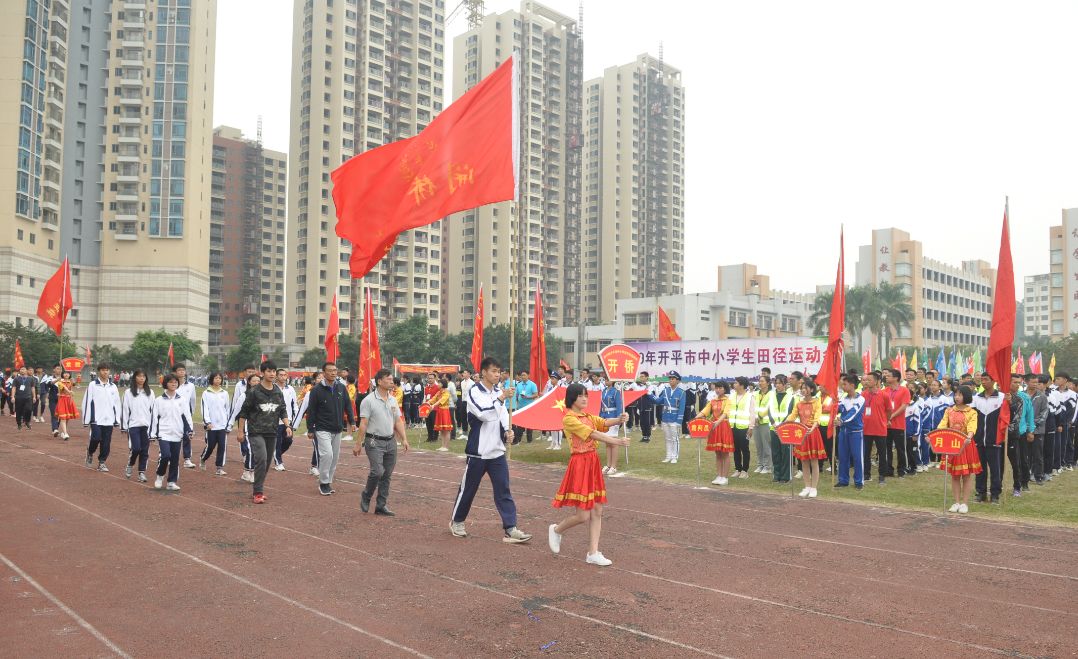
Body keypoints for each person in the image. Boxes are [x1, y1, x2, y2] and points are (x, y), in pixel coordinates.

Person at [450, 357, 532, 543]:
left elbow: (503, 417)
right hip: (478, 452)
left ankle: (511, 528)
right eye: (494, 371)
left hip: (496, 452)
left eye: (499, 371)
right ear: (484, 372)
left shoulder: (498, 392)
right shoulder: (474, 392)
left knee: (503, 490)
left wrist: (507, 432)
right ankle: (457, 521)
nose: (497, 375)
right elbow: (484, 414)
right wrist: (501, 397)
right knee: (469, 489)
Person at [549, 383, 629, 566]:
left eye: (586, 395)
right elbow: (593, 434)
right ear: (572, 398)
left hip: (592, 462)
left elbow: (603, 423)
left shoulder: (587, 415)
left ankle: (593, 552)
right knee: (583, 515)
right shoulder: (569, 419)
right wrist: (616, 441)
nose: (584, 398)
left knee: (598, 510)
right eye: (580, 396)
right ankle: (557, 530)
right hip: (580, 464)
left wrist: (619, 419)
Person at [236, 361, 292, 504]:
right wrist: (240, 431)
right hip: (256, 432)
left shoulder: (277, 391)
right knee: (261, 458)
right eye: (268, 371)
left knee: (266, 462)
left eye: (273, 371)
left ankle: (257, 488)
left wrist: (287, 425)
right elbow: (244, 412)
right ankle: (258, 492)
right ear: (262, 373)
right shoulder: (254, 391)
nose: (272, 374)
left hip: (272, 432)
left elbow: (283, 409)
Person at [355, 368, 409, 513]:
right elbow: (364, 423)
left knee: (387, 475)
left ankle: (381, 505)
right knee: (377, 471)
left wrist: (404, 439)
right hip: (373, 441)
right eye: (389, 379)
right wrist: (358, 443)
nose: (392, 381)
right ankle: (366, 496)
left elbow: (397, 421)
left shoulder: (393, 399)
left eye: (392, 379)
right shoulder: (368, 400)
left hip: (390, 441)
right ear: (379, 381)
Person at [305, 362, 356, 496]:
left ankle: (328, 482)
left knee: (334, 458)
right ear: (323, 373)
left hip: (338, 428)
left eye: (335, 370)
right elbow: (312, 410)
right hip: (322, 428)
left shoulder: (341, 387)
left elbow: (348, 406)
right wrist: (310, 428)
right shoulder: (316, 390)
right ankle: (323, 482)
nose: (333, 373)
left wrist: (352, 421)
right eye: (330, 371)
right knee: (327, 455)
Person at [938, 385, 980, 513]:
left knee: (966, 475)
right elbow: (943, 424)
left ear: (966, 396)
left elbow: (972, 426)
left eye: (960, 395)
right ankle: (956, 502)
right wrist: (936, 435)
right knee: (954, 475)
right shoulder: (949, 411)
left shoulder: (972, 412)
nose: (957, 397)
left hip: (966, 445)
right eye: (955, 394)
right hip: (951, 445)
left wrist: (969, 436)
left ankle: (965, 503)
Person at [150, 375, 193, 491]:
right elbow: (154, 418)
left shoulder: (182, 399)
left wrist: (190, 430)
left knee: (174, 459)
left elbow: (187, 416)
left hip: (177, 433)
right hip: (163, 433)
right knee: (165, 455)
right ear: (166, 384)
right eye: (171, 382)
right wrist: (153, 433)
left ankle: (171, 482)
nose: (174, 384)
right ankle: (160, 475)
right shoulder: (159, 400)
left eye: (175, 382)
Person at [788, 380, 827, 497]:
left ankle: (814, 488)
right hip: (801, 433)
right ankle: (807, 486)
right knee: (804, 461)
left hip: (813, 434)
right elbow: (792, 416)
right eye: (802, 388)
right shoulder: (799, 403)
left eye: (805, 388)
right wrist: (782, 424)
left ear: (811, 389)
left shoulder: (816, 402)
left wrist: (813, 427)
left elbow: (817, 417)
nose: (803, 390)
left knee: (814, 462)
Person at [971, 373, 1005, 504]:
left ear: (993, 381)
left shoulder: (1002, 397)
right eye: (982, 380)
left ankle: (995, 494)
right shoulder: (976, 398)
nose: (983, 382)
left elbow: (1008, 415)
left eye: (986, 380)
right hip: (979, 440)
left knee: (995, 469)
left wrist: (1010, 402)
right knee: (980, 468)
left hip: (995, 440)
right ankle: (980, 493)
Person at [83, 363, 122, 472]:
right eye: (103, 370)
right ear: (99, 371)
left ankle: (102, 462)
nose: (105, 372)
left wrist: (117, 419)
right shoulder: (92, 385)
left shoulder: (113, 386)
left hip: (109, 419)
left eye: (107, 370)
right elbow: (87, 401)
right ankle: (90, 452)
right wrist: (87, 419)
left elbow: (117, 403)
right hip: (96, 418)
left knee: (106, 442)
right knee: (96, 438)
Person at [695, 381, 733, 485]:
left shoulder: (728, 401)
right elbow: (704, 411)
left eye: (720, 388)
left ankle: (725, 477)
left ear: (725, 389)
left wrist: (718, 422)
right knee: (718, 453)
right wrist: (694, 418)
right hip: (714, 427)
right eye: (716, 388)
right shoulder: (712, 401)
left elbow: (725, 414)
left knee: (725, 453)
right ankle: (719, 475)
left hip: (724, 427)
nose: (718, 390)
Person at [644, 371, 687, 464]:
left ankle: (674, 456)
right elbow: (659, 401)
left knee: (674, 438)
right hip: (665, 417)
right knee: (667, 438)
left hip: (674, 418)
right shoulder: (666, 391)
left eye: (673, 379)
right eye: (670, 379)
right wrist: (649, 394)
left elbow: (682, 408)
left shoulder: (681, 393)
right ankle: (668, 456)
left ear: (677, 381)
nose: (670, 381)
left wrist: (679, 421)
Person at [121, 369, 155, 482]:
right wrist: (124, 426)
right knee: (136, 448)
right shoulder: (128, 392)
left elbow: (153, 411)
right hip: (133, 425)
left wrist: (154, 428)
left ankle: (141, 472)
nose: (141, 378)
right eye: (139, 376)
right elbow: (125, 409)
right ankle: (130, 464)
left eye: (144, 376)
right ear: (135, 377)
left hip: (146, 425)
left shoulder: (150, 392)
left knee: (145, 450)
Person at [834, 374, 865, 489]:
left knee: (857, 457)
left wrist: (842, 420)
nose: (842, 386)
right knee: (843, 457)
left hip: (856, 433)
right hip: (843, 432)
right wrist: (832, 408)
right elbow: (837, 409)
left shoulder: (860, 399)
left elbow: (853, 414)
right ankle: (843, 480)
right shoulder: (843, 398)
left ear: (852, 385)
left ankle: (859, 482)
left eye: (844, 384)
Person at [1006, 373, 1035, 496]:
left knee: (1022, 459)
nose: (1018, 385)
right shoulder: (1002, 396)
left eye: (1019, 383)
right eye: (1015, 382)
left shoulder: (1024, 397)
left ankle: (1023, 483)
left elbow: (1030, 415)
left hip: (1021, 432)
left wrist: (1030, 430)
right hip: (1005, 433)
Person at [862, 371, 892, 485]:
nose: (866, 382)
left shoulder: (884, 395)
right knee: (866, 453)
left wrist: (886, 420)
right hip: (866, 429)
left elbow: (889, 410)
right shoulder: (863, 395)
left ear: (876, 382)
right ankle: (866, 474)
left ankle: (882, 476)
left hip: (880, 429)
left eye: (869, 380)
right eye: (865, 380)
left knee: (882, 453)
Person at [229, 373, 258, 483]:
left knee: (257, 450)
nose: (256, 383)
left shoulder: (263, 395)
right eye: (254, 381)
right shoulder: (244, 396)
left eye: (258, 381)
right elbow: (236, 411)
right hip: (247, 424)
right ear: (249, 382)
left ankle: (247, 472)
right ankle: (251, 472)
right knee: (250, 449)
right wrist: (230, 424)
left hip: (260, 426)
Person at [200, 372, 230, 476]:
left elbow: (227, 408)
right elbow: (204, 408)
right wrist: (207, 422)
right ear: (211, 379)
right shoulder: (206, 393)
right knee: (210, 446)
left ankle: (219, 467)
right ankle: (203, 458)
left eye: (219, 378)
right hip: (211, 425)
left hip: (222, 425)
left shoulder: (224, 393)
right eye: (216, 378)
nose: (218, 380)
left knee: (222, 446)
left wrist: (228, 423)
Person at [884, 368, 912, 477]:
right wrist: (887, 418)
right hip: (886, 425)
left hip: (899, 425)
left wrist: (891, 416)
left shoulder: (904, 390)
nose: (886, 377)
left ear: (896, 378)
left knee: (901, 449)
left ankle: (902, 470)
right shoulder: (884, 391)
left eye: (889, 376)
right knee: (887, 448)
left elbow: (904, 406)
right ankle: (888, 469)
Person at [768, 375, 795, 483]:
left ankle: (785, 476)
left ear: (785, 384)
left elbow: (790, 412)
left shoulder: (790, 397)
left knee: (785, 453)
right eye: (776, 383)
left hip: (785, 428)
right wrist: (774, 423)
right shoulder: (771, 396)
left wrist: (782, 424)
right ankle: (777, 475)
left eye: (780, 383)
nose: (778, 385)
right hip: (774, 428)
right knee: (775, 452)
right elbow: (769, 411)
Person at [171, 363, 198, 469]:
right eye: (179, 370)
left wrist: (191, 414)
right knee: (172, 435)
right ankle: (168, 456)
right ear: (174, 372)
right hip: (173, 414)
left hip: (185, 415)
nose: (182, 372)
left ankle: (187, 459)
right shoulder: (171, 384)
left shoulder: (190, 386)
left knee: (187, 436)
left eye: (183, 370)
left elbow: (193, 400)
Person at [729, 377, 755, 478]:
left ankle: (745, 470)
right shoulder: (732, 396)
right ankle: (738, 469)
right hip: (733, 426)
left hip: (744, 427)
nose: (734, 384)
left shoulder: (750, 397)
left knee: (744, 449)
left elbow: (752, 413)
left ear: (742, 385)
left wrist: (751, 427)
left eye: (736, 383)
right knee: (735, 449)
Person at [599, 377, 625, 476]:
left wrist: (619, 419)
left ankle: (614, 466)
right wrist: (600, 418)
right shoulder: (604, 391)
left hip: (613, 417)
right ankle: (608, 464)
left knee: (614, 442)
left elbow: (619, 406)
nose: (606, 381)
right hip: (605, 417)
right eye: (605, 379)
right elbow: (601, 406)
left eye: (608, 379)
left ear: (613, 381)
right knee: (607, 442)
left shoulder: (616, 392)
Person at [273, 368, 298, 471]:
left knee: (288, 441)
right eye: (281, 375)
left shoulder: (290, 389)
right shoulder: (273, 388)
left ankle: (275, 454)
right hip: (275, 421)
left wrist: (295, 418)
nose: (283, 377)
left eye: (285, 375)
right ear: (276, 376)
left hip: (288, 420)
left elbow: (294, 404)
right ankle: (278, 462)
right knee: (277, 442)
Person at [1030, 375, 1049, 484]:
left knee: (1038, 455)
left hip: (1038, 430)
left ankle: (1038, 476)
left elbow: (1044, 415)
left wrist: (1032, 425)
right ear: (1027, 382)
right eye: (1033, 382)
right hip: (1025, 430)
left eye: (1037, 383)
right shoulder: (1023, 396)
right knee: (1025, 455)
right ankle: (1026, 476)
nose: (1035, 385)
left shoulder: (1042, 397)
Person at [511, 370, 539, 445]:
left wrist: (528, 397)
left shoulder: (532, 384)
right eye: (522, 375)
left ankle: (529, 440)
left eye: (524, 375)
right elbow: (516, 395)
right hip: (520, 406)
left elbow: (536, 394)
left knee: (529, 423)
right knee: (520, 424)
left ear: (528, 375)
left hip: (529, 406)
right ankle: (518, 440)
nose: (522, 377)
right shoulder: (519, 385)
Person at [753, 375, 773, 474]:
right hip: (755, 423)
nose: (760, 383)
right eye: (759, 381)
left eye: (762, 381)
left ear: (768, 383)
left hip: (765, 422)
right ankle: (760, 465)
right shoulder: (755, 393)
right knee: (758, 445)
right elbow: (752, 406)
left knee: (766, 445)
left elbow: (769, 408)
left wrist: (759, 417)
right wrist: (754, 418)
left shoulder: (771, 394)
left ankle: (767, 466)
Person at [427, 380, 452, 452]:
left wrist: (434, 405)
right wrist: (427, 403)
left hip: (445, 411)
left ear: (443, 384)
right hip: (439, 411)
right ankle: (443, 445)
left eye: (439, 383)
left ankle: (446, 446)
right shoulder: (439, 392)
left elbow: (441, 400)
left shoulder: (446, 392)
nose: (438, 384)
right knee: (441, 430)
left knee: (446, 430)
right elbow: (433, 399)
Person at [628, 371, 654, 444]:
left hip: (647, 406)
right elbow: (636, 391)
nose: (641, 378)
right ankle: (644, 436)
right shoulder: (639, 386)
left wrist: (646, 386)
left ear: (646, 377)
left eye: (643, 376)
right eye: (640, 376)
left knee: (647, 422)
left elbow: (648, 392)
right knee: (642, 422)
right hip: (640, 406)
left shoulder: (650, 385)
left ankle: (648, 436)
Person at [53, 370, 79, 441]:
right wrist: (69, 392)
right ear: (62, 374)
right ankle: (65, 433)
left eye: (68, 373)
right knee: (63, 418)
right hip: (62, 400)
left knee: (67, 417)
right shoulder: (60, 382)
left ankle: (63, 432)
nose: (66, 375)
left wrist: (76, 380)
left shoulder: (71, 381)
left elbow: (76, 385)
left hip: (69, 401)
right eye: (65, 373)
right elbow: (64, 388)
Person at [12, 366, 37, 430]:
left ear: (26, 371)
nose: (22, 370)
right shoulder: (16, 379)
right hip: (18, 397)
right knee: (18, 411)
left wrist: (34, 396)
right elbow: (14, 388)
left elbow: (33, 388)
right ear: (19, 371)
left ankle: (27, 421)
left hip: (28, 397)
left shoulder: (31, 379)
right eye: (21, 369)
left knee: (29, 409)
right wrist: (12, 396)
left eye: (23, 369)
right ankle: (19, 424)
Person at [543, 371, 564, 450]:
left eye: (553, 379)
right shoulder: (551, 388)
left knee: (558, 428)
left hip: (559, 408)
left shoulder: (560, 388)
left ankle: (558, 444)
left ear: (557, 380)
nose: (551, 380)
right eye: (551, 378)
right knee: (552, 427)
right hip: (551, 409)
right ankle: (553, 443)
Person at [46, 364, 62, 435]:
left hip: (62, 399)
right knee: (54, 414)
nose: (59, 370)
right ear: (54, 370)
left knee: (61, 415)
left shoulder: (64, 378)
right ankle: (55, 429)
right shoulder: (49, 377)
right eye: (58, 368)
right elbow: (49, 384)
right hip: (53, 398)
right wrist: (57, 380)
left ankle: (56, 428)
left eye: (60, 369)